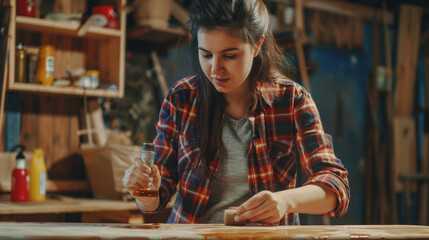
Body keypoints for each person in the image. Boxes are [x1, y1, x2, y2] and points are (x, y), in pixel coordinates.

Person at [123, 0, 350, 225]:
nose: (214, 69)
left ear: (257, 45)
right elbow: (156, 200)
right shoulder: (181, 98)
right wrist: (142, 189)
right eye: (206, 54)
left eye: (229, 55)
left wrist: (284, 201)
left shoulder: (291, 100)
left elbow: (336, 188)